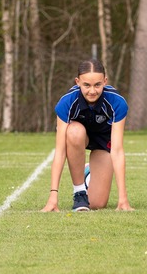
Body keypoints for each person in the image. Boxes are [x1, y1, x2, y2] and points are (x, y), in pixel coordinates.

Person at [42, 58, 132, 212]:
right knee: (75, 132)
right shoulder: (66, 103)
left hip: (103, 142)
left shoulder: (117, 102)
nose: (92, 91)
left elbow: (117, 150)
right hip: (79, 137)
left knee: (97, 204)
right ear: (77, 82)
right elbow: (60, 150)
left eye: (97, 85)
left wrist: (123, 198)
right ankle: (79, 193)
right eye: (86, 85)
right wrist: (53, 196)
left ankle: (88, 172)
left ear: (105, 81)